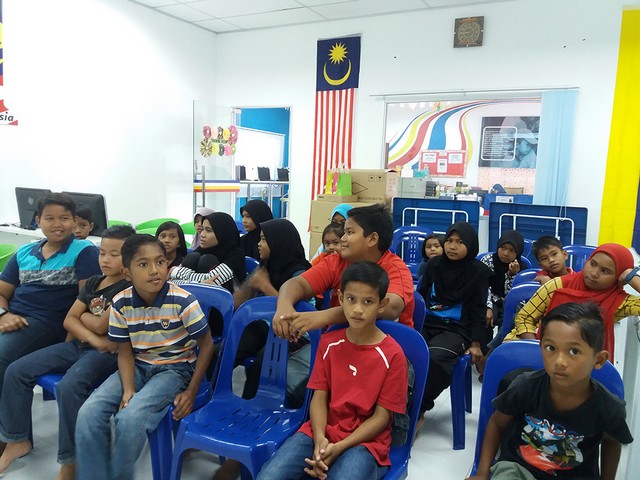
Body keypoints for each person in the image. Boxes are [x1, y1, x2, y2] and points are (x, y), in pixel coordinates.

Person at [75, 234, 214, 480]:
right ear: (127, 273)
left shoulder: (182, 300)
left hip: (175, 369)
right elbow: (125, 350)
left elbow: (207, 344)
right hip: (138, 365)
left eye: (160, 262)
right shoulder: (121, 303)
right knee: (89, 412)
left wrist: (191, 392)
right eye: (143, 264)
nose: (154, 270)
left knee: (129, 419)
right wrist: (128, 389)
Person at [0, 225, 135, 479]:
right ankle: (17, 439)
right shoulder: (94, 282)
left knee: (69, 386)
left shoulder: (129, 289)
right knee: (17, 370)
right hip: (86, 345)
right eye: (102, 253)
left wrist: (82, 320)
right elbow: (69, 320)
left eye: (114, 254)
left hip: (109, 354)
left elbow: (99, 324)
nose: (105, 259)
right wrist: (91, 334)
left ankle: (71, 461)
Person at [257, 261, 408, 480]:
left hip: (365, 442)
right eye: (351, 299)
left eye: (368, 301)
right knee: (269, 476)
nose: (358, 309)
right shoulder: (329, 343)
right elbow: (319, 398)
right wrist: (320, 439)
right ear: (341, 298)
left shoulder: (393, 355)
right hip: (321, 430)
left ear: (382, 304)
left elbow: (381, 418)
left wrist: (339, 448)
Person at [467, 302, 633, 480]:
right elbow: (496, 424)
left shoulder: (608, 407)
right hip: (519, 470)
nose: (559, 361)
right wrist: (482, 472)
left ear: (598, 360)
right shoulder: (526, 386)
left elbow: (612, 442)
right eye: (550, 348)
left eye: (573, 351)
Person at [214, 218, 312, 480]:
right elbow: (237, 303)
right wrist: (250, 285)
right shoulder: (264, 267)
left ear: (279, 243)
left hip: (292, 336)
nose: (259, 244)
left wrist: (266, 286)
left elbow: (298, 319)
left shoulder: (301, 274)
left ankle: (247, 438)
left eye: (264, 240)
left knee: (261, 368)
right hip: (262, 327)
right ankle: (213, 412)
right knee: (221, 353)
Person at [0, 193, 100, 403]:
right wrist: (3, 314)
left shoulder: (84, 250)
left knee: (2, 356)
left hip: (47, 322)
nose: (57, 224)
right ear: (38, 220)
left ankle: (6, 424)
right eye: (49, 218)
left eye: (64, 218)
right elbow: (1, 292)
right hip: (14, 317)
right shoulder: (25, 252)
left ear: (74, 220)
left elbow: (87, 300)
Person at [273, 203, 415, 340]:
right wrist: (284, 305)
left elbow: (390, 307)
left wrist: (324, 316)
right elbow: (298, 284)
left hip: (390, 348)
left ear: (372, 239)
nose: (342, 239)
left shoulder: (395, 268)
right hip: (339, 343)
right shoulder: (337, 261)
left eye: (350, 232)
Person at [504, 243, 640, 361]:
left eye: (605, 271)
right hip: (532, 343)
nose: (594, 273)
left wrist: (631, 277)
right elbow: (524, 317)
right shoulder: (558, 285)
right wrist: (539, 351)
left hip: (575, 360)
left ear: (618, 277)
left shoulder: (618, 302)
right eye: (592, 264)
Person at [416, 222, 492, 417]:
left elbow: (478, 309)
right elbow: (421, 297)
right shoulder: (433, 265)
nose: (452, 246)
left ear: (471, 245)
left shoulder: (478, 273)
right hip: (427, 323)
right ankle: (400, 403)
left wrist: (476, 343)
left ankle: (419, 407)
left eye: (460, 242)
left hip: (456, 330)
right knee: (405, 351)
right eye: (449, 240)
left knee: (435, 358)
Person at [170, 212, 247, 294]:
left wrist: (177, 272)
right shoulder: (202, 249)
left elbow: (212, 280)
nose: (202, 234)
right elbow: (172, 282)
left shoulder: (236, 254)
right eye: (202, 229)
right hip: (196, 296)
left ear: (222, 233)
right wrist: (199, 283)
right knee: (192, 257)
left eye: (208, 230)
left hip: (228, 298)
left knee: (207, 260)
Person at [479, 230, 527, 337]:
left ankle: (498, 345)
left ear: (518, 252)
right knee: (482, 315)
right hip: (490, 298)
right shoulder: (488, 260)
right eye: (503, 248)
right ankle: (483, 345)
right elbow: (482, 287)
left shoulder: (522, 268)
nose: (505, 253)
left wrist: (512, 275)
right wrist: (488, 307)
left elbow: (516, 296)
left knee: (513, 320)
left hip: (510, 302)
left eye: (511, 250)